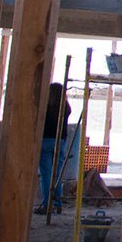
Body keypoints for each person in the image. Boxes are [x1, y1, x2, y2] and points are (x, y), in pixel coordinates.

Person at [36, 82, 71, 214]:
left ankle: (47, 204)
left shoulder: (46, 107)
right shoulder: (66, 108)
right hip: (61, 141)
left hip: (46, 140)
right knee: (57, 174)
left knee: (46, 174)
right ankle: (57, 203)